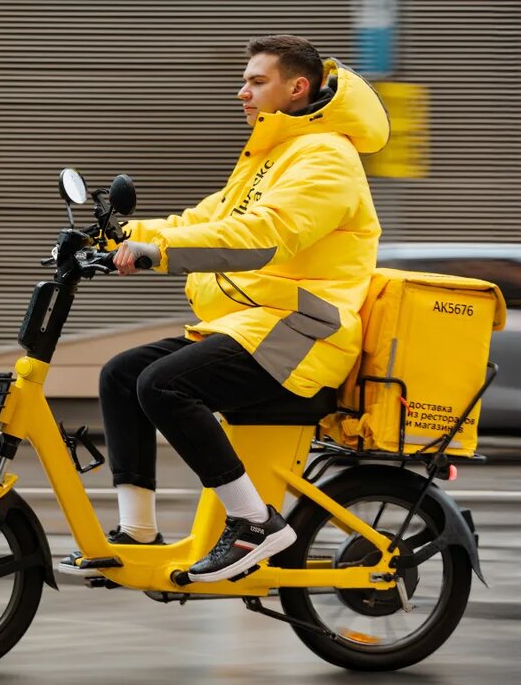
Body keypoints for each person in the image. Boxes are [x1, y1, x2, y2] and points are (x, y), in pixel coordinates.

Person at [59, 35, 388, 583]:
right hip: (259, 323)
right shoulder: (272, 155)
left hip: (305, 332)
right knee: (122, 374)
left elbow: (265, 235)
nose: (243, 92)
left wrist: (156, 254)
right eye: (245, 81)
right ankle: (136, 533)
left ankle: (254, 522)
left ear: (297, 86)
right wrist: (114, 234)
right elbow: (201, 219)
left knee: (162, 385)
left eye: (257, 81)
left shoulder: (327, 157)